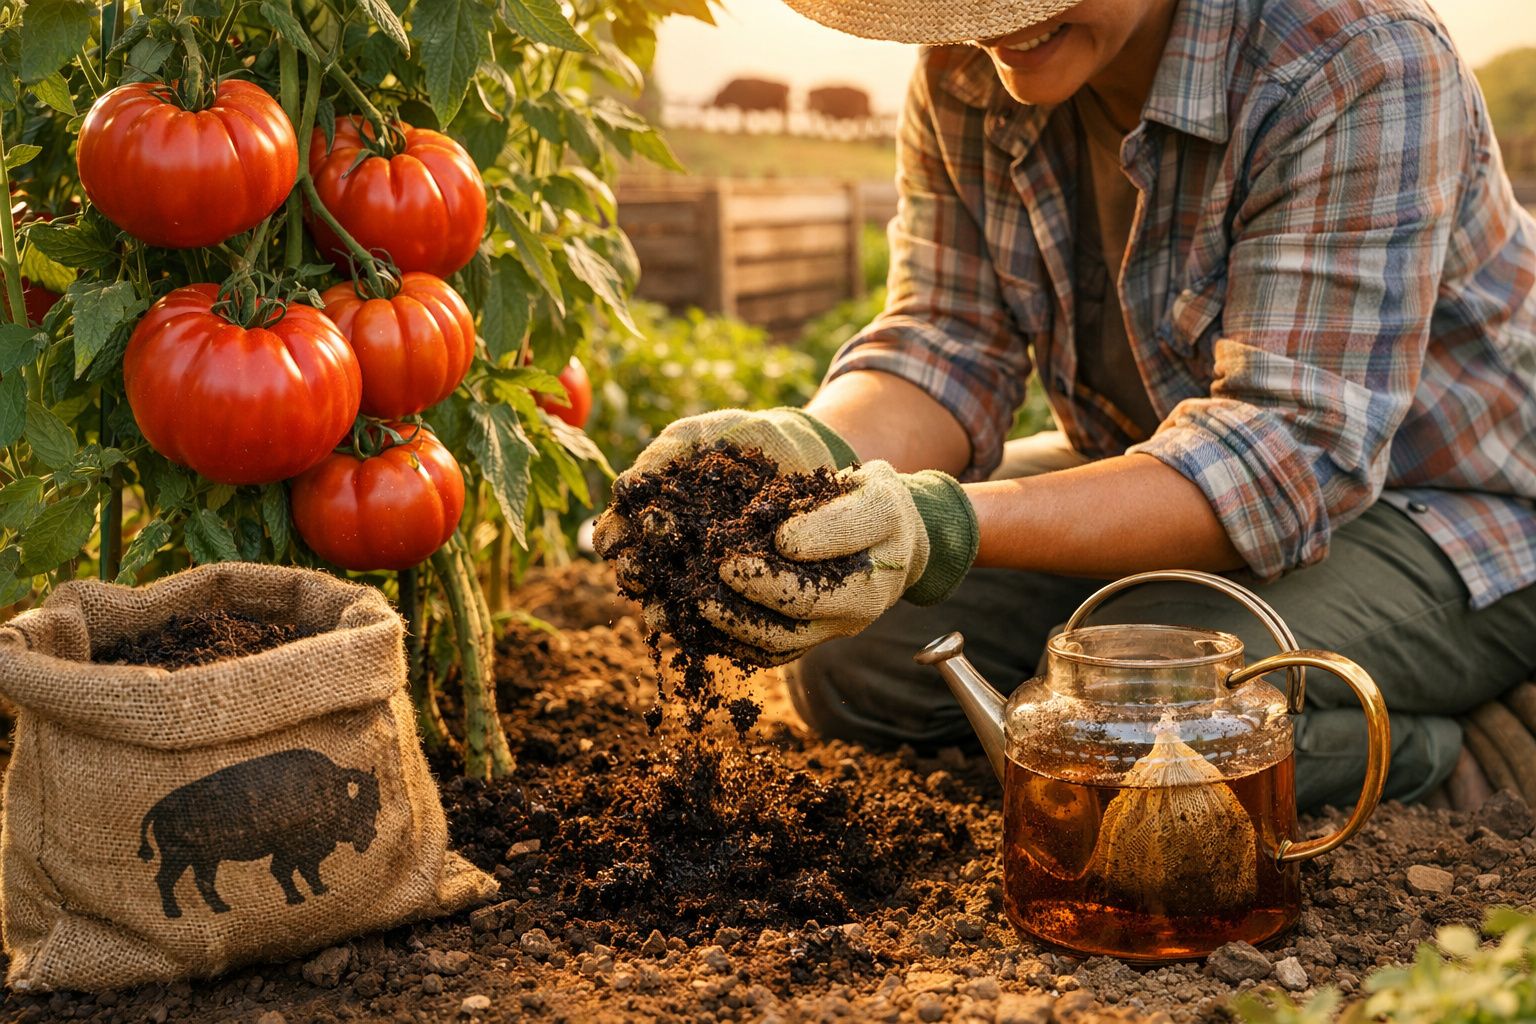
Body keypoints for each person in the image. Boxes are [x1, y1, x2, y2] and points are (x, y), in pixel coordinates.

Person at [596, 0, 1536, 812]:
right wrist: (802, 452)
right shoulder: (970, 68)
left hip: (1459, 515)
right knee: (855, 657)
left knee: (1134, 712)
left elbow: (1282, 455)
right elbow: (946, 338)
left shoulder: (1352, 59)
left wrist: (945, 522)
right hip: (1168, 470)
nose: (998, 25)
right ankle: (1133, 728)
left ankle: (1426, 752)